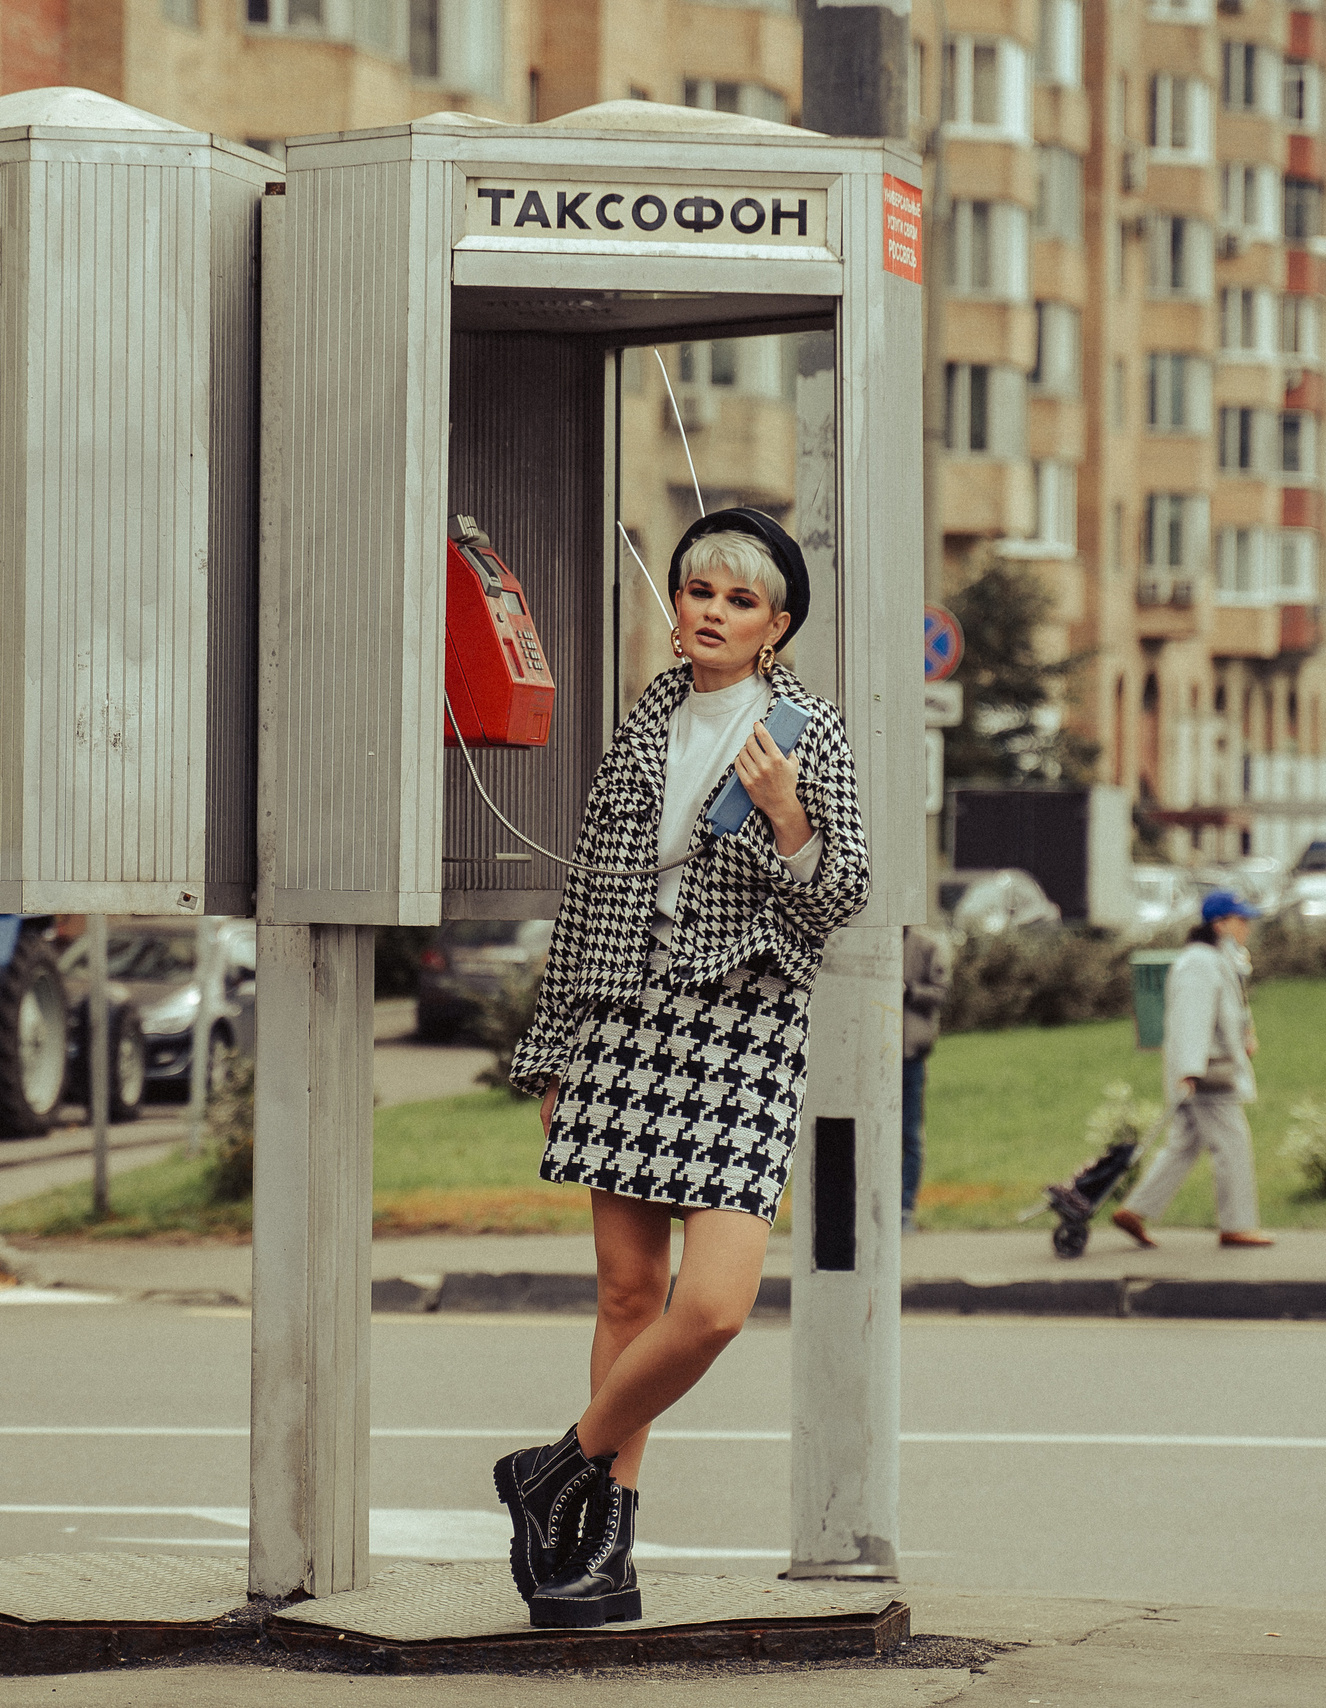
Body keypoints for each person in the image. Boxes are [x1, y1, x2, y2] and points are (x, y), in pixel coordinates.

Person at [493, 508, 870, 1629]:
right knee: (624, 1293)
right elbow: (589, 901)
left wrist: (784, 812)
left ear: (776, 625)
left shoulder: (806, 733)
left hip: (743, 1034)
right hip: (625, 1021)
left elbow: (842, 893)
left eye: (738, 599)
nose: (710, 611)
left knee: (707, 1307)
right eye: (697, 590)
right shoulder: (643, 727)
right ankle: (598, 1533)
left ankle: (553, 1467)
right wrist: (557, 1048)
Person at [1111, 891, 1273, 1251]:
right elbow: (1191, 1018)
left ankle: (1135, 1210)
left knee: (1183, 1146)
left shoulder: (1214, 959)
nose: (1246, 927)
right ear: (1219, 924)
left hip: (1205, 1069)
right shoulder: (1200, 963)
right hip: (1207, 1074)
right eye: (1240, 920)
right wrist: (1189, 1069)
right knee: (1233, 1145)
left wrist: (1245, 1034)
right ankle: (1238, 1226)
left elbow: (1227, 1011)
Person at [900, 922, 952, 1232]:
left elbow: (941, 992)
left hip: (910, 1052)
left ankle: (905, 1208)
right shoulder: (870, 941)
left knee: (909, 1134)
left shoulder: (926, 945)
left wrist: (910, 992)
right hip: (878, 1052)